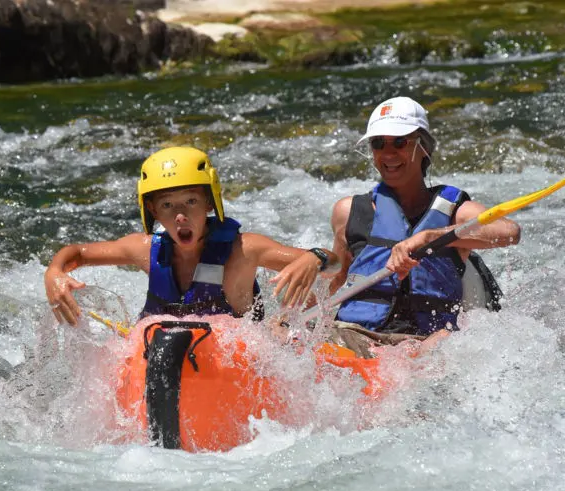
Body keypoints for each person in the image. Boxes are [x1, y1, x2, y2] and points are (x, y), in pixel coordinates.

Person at [45, 146, 336, 326]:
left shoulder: (245, 250)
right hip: (164, 359)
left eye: (191, 202)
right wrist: (54, 271)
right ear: (153, 211)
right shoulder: (145, 249)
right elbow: (78, 253)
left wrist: (315, 257)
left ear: (209, 202)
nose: (180, 215)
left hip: (230, 364)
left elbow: (335, 265)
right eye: (167, 205)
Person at [326, 96, 521, 353]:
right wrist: (288, 320)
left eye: (400, 142)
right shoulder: (348, 211)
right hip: (354, 335)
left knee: (441, 342)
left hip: (424, 342)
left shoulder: (454, 212)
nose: (388, 153)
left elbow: (509, 232)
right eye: (378, 143)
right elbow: (335, 279)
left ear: (423, 147)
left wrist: (431, 237)